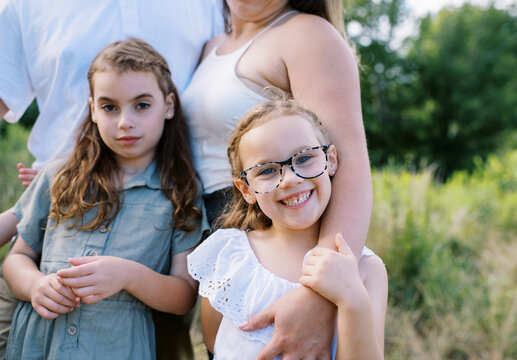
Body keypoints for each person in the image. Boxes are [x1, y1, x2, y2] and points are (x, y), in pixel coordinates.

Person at [0, 1, 222, 358]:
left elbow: (184, 295)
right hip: (38, 345)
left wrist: (128, 276)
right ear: (92, 108)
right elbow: (16, 258)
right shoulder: (60, 176)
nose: (125, 122)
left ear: (168, 106)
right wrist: (36, 285)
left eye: (142, 105)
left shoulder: (180, 190)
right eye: (109, 107)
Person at [181, 0, 372, 356]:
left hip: (279, 236)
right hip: (221, 238)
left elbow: (350, 166)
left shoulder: (306, 34)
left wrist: (318, 295)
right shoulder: (211, 45)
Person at [188, 97, 388, 359]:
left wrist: (351, 298)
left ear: (331, 160)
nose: (291, 179)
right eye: (267, 170)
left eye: (304, 158)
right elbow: (215, 344)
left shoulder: (365, 268)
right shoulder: (227, 255)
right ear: (246, 190)